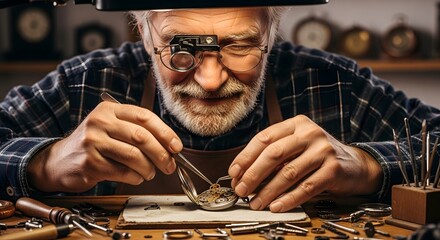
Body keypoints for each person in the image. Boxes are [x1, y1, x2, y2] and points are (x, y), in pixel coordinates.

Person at [0, 6, 439, 213]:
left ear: (273, 27)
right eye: (180, 47)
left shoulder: (336, 85)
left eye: (241, 44)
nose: (210, 80)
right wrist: (42, 163)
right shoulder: (84, 85)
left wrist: (368, 166)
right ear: (144, 30)